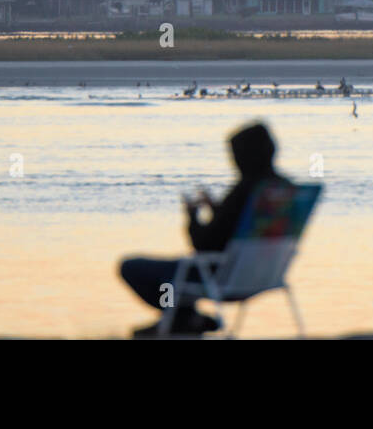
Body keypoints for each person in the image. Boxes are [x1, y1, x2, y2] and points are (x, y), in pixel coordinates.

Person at [118, 122, 289, 338]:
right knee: (171, 274)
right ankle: (186, 319)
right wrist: (219, 209)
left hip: (221, 274)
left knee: (135, 269)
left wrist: (192, 216)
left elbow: (203, 244)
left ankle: (179, 316)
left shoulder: (245, 189)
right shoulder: (284, 190)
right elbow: (243, 227)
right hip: (265, 274)